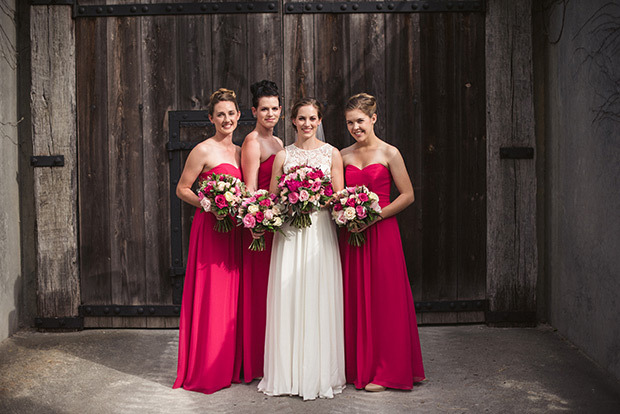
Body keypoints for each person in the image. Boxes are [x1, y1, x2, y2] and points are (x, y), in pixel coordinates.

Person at [258, 98, 347, 400]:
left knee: (317, 295)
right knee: (289, 293)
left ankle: (318, 373)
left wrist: (312, 197)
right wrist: (291, 199)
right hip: (290, 234)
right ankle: (288, 375)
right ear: (293, 121)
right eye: (301, 118)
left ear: (319, 120)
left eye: (312, 118)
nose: (307, 124)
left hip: (320, 232)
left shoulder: (331, 153)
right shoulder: (283, 155)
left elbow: (337, 196)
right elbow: (271, 196)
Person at [339, 93, 425, 392]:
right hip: (352, 235)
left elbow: (408, 195)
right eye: (350, 122)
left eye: (360, 121)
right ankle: (358, 366)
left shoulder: (390, 153)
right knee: (355, 298)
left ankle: (389, 370)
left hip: (382, 232)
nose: (355, 128)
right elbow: (338, 195)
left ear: (373, 119)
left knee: (385, 300)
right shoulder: (343, 155)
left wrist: (376, 216)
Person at [173, 88, 243, 394]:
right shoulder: (202, 150)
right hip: (211, 229)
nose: (226, 119)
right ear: (211, 118)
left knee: (233, 297)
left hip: (236, 231)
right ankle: (207, 368)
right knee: (212, 295)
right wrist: (210, 204)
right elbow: (183, 188)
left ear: (239, 115)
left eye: (231, 113)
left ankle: (230, 364)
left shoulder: (241, 151)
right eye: (220, 115)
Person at [239, 80, 284, 382]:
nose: (270, 113)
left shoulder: (279, 143)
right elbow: (250, 189)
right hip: (261, 229)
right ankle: (256, 361)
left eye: (275, 108)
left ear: (281, 110)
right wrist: (257, 222)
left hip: (279, 223)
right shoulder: (252, 142)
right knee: (260, 293)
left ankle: (274, 356)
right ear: (254, 110)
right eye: (264, 108)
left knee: (277, 293)